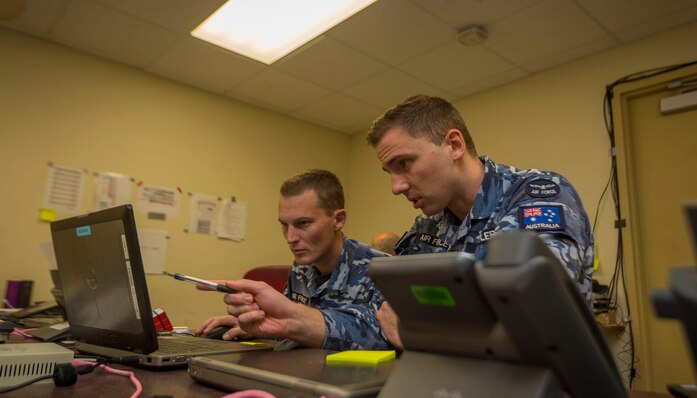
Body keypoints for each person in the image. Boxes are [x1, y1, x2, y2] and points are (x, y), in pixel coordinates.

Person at [366, 95, 594, 350]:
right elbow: (384, 308)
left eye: (404, 163)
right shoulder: (428, 226)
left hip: (545, 380)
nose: (396, 187)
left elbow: (536, 307)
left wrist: (421, 333)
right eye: (390, 172)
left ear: (454, 145)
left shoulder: (537, 193)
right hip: (453, 379)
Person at [195, 169, 391, 351]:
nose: (290, 238)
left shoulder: (384, 271)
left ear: (338, 220)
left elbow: (390, 343)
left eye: (303, 223)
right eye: (284, 225)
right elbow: (288, 327)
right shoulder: (302, 267)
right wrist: (255, 326)